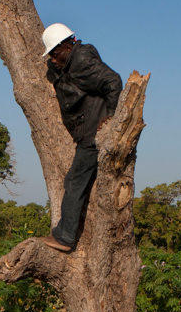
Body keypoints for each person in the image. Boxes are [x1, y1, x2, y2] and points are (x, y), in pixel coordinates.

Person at [40, 23, 122, 253]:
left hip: (92, 136)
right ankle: (64, 234)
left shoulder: (81, 61)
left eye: (55, 54)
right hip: (87, 133)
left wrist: (111, 120)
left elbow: (113, 82)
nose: (53, 60)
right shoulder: (72, 59)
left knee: (75, 182)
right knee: (75, 182)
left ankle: (65, 237)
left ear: (67, 46)